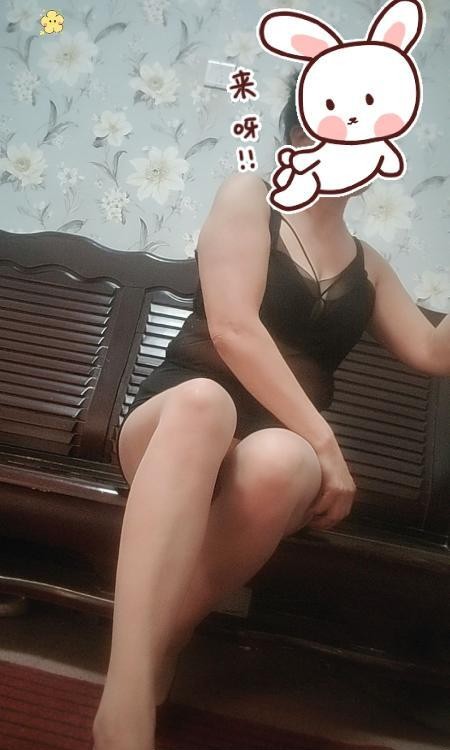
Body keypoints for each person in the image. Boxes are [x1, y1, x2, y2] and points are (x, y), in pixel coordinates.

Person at [92, 70, 444, 750]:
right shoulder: (249, 197)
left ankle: (159, 646)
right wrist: (328, 445)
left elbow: (432, 350)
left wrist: (309, 446)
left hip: (273, 450)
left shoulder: (370, 266)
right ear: (295, 134)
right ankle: (127, 696)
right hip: (175, 425)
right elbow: (232, 329)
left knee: (284, 458)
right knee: (207, 403)